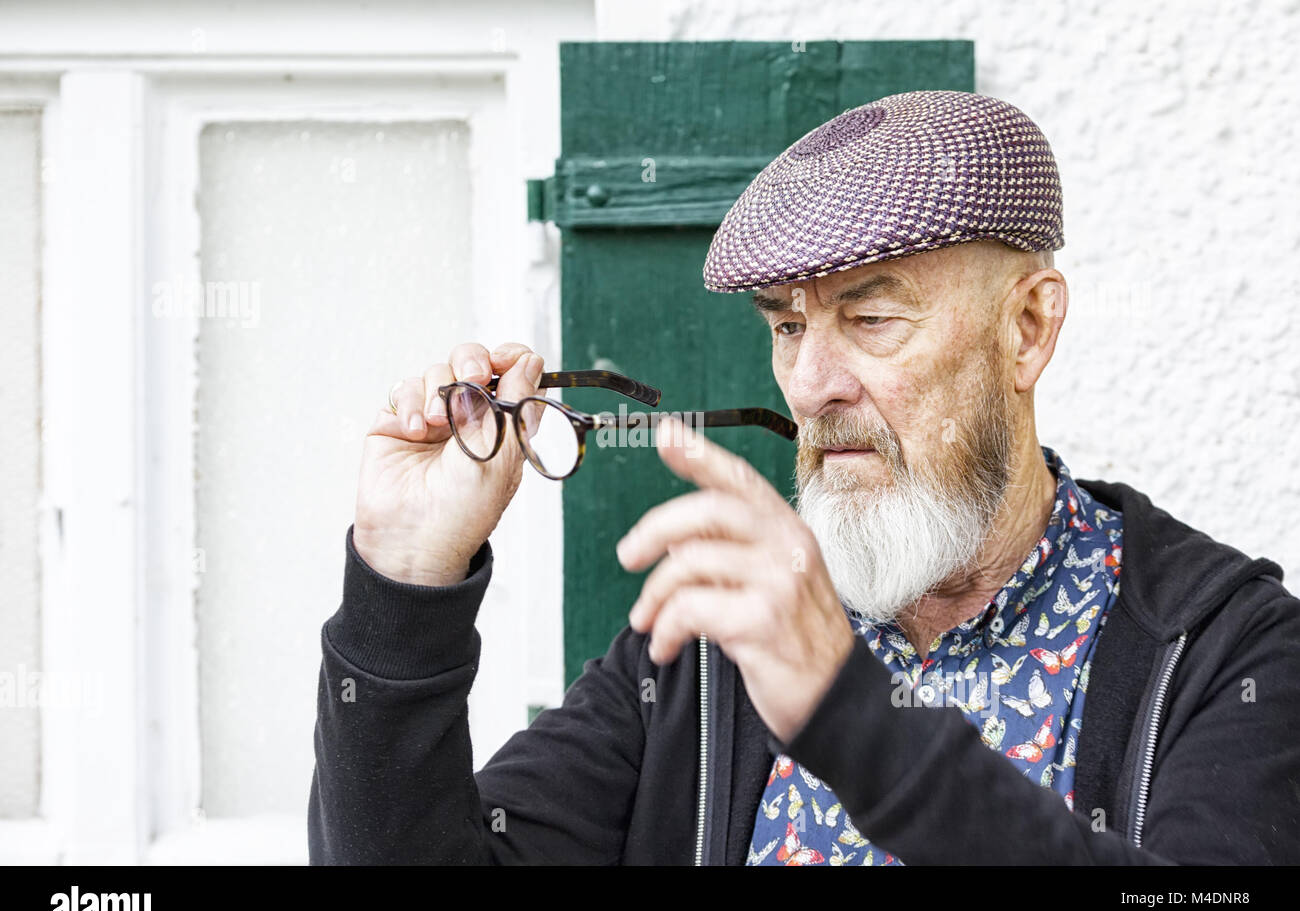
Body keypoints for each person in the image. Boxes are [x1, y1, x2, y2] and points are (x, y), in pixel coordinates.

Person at [308, 90, 1300, 865]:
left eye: (872, 320)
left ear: (1027, 327)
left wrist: (849, 714)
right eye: (788, 325)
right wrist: (403, 588)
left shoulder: (1225, 648)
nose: (814, 385)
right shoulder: (701, 653)